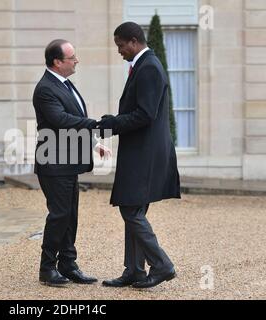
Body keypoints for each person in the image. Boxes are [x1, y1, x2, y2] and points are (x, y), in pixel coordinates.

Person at [98, 22, 181, 289]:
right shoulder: (145, 66)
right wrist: (116, 120)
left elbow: (146, 115)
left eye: (121, 46)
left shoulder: (149, 68)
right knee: (133, 207)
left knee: (131, 209)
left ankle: (162, 265)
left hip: (145, 154)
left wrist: (113, 124)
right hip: (142, 151)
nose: (120, 51)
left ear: (133, 41)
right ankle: (134, 270)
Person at [33, 39, 110, 287]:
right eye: (72, 57)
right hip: (54, 163)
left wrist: (92, 144)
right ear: (57, 62)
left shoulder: (65, 84)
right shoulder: (46, 88)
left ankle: (68, 264)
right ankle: (47, 269)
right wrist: (95, 124)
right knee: (60, 215)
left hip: (68, 162)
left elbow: (73, 118)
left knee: (70, 215)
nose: (76, 60)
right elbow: (60, 119)